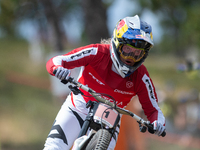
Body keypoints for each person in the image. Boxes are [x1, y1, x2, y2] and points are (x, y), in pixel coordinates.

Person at [44, 15, 166, 150]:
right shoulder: (97, 52)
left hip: (110, 121)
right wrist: (58, 69)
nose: (131, 58)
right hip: (77, 107)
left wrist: (158, 123)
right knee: (53, 147)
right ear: (117, 43)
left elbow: (154, 110)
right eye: (127, 50)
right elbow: (57, 61)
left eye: (138, 53)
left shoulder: (141, 76)